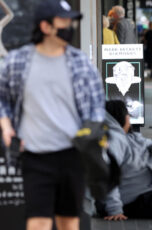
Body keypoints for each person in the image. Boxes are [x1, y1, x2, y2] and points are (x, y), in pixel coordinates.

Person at [0, 1, 105, 230]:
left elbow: (97, 106)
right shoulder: (18, 61)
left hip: (73, 155)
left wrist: (91, 132)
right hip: (35, 156)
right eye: (63, 21)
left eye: (70, 21)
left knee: (68, 221)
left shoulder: (80, 63)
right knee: (38, 222)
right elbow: (3, 98)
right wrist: (6, 126)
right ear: (45, 27)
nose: (70, 26)